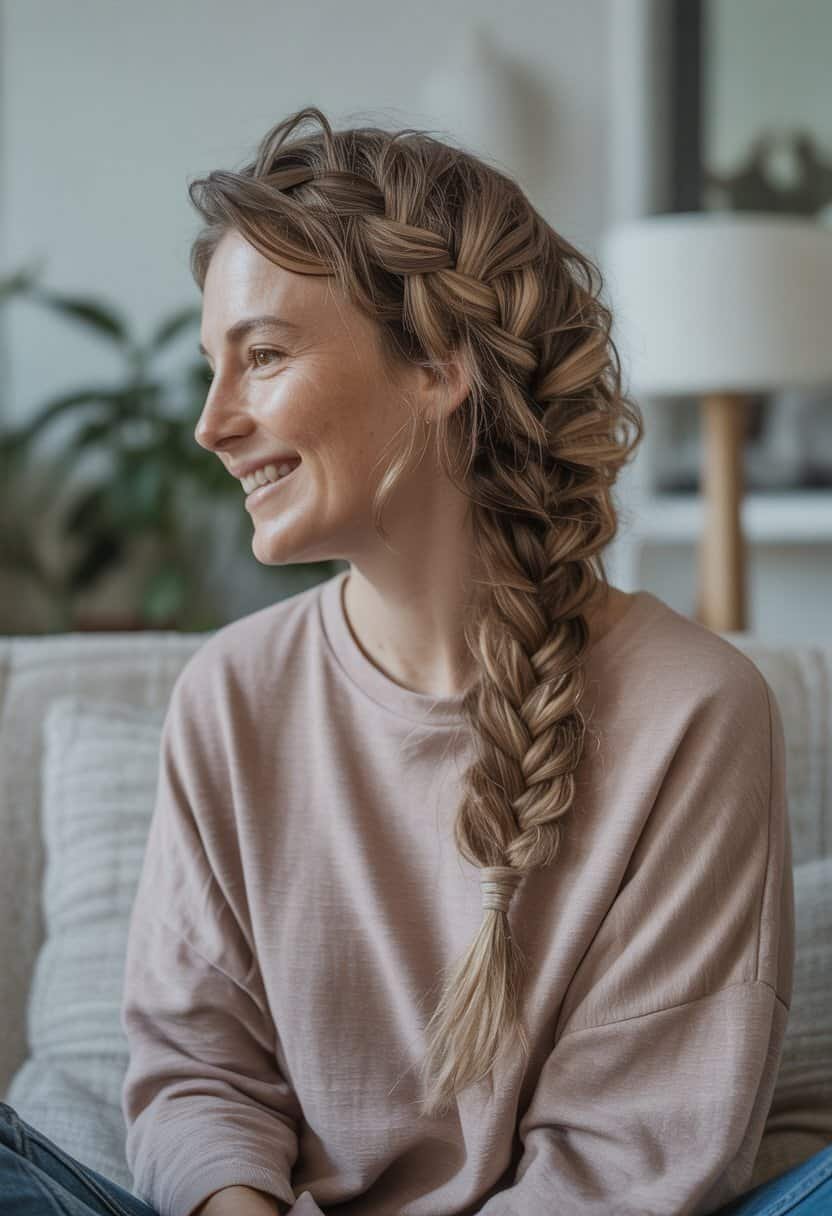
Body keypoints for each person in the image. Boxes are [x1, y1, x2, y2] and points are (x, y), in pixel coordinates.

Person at [0, 105, 822, 1216]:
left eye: (265, 356)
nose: (209, 424)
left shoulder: (695, 709)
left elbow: (629, 1157)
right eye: (211, 367)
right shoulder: (229, 696)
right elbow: (201, 1076)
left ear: (441, 363)